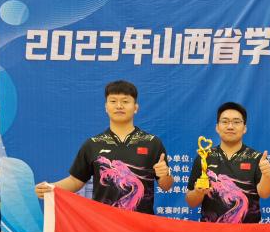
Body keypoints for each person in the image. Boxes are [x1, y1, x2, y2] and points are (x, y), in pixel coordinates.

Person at [35, 80, 173, 213]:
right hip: (103, 224)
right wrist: (50, 188)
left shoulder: (152, 142)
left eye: (125, 101)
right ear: (106, 107)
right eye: (113, 101)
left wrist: (164, 175)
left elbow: (166, 186)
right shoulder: (93, 144)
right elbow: (75, 181)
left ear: (135, 107)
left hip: (141, 223)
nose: (119, 106)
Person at [185, 102, 270, 223]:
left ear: (245, 128)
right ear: (217, 127)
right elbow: (191, 202)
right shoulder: (204, 157)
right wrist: (197, 192)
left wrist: (267, 175)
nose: (230, 126)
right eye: (225, 122)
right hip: (211, 231)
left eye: (236, 122)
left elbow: (265, 194)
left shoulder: (257, 158)